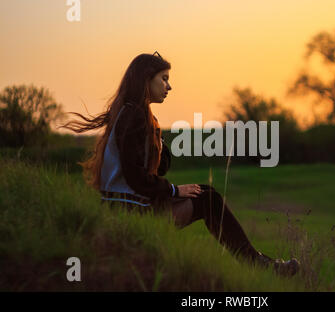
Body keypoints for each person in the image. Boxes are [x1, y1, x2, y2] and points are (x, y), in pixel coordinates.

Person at [59, 52, 300, 276]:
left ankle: (257, 262)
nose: (169, 86)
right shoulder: (133, 116)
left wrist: (158, 139)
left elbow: (159, 168)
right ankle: (257, 265)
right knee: (208, 200)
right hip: (130, 213)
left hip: (132, 206)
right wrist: (174, 190)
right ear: (146, 80)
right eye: (164, 79)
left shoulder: (136, 114)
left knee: (205, 193)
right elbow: (135, 177)